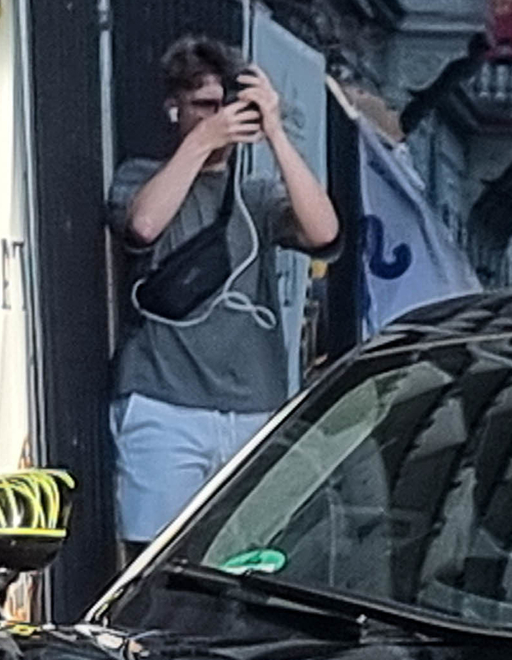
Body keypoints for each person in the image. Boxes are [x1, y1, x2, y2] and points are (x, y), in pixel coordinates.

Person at [107, 36, 342, 559]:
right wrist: (200, 142)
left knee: (247, 562)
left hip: (252, 408)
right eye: (204, 106)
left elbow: (325, 230)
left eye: (228, 108)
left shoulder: (254, 195)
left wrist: (275, 131)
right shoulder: (139, 177)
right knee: (153, 561)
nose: (220, 120)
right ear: (176, 108)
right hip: (163, 402)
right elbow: (143, 225)